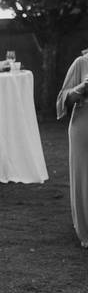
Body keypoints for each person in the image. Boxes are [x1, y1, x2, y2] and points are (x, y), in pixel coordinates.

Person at [55, 53, 88, 248]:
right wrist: (81, 89)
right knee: (84, 176)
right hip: (84, 125)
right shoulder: (82, 62)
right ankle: (85, 229)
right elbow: (63, 98)